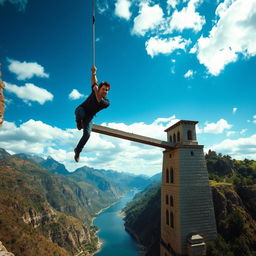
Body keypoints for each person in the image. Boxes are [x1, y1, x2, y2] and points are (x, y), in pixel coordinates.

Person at [74, 66, 110, 162]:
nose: (105, 91)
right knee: (80, 114)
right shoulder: (96, 90)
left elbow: (99, 100)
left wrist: (95, 89)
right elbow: (94, 81)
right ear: (100, 89)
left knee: (87, 134)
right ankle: (78, 122)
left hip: (89, 117)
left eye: (107, 90)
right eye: (103, 89)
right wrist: (94, 73)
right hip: (81, 109)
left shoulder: (106, 102)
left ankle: (77, 150)